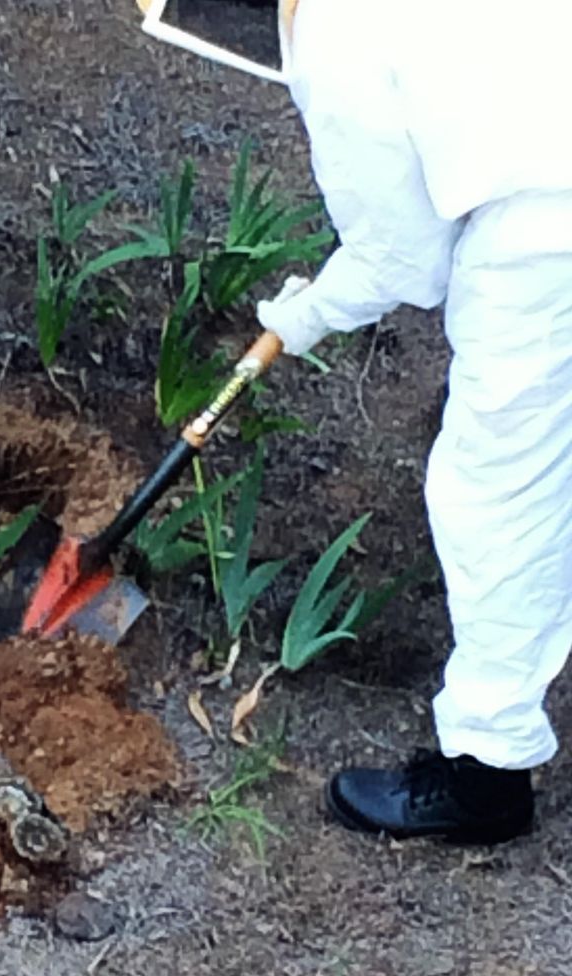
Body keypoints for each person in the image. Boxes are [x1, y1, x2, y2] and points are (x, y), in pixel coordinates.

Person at [243, 0, 572, 843]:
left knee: (494, 496)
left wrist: (304, 313)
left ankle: (488, 774)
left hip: (549, 229)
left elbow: (404, 259)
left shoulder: (330, 35)